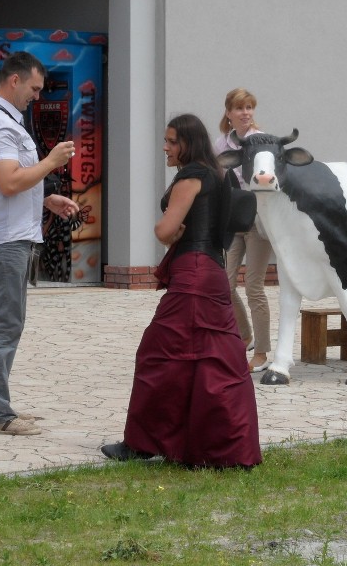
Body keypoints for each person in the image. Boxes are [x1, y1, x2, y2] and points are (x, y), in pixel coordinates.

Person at [101, 113, 262, 468]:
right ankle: (221, 449)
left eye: (172, 141)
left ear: (188, 143)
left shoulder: (191, 177)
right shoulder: (217, 174)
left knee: (156, 356)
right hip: (213, 274)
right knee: (216, 362)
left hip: (192, 277)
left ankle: (142, 443)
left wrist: (169, 231)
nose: (166, 147)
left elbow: (164, 230)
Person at [0, 51, 79, 436]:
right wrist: (51, 162)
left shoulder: (6, 121)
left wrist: (47, 199)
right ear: (14, 80)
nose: (37, 95)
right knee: (2, 325)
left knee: (7, 323)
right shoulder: (0, 125)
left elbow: (15, 180)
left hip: (10, 236)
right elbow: (8, 181)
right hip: (3, 240)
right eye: (34, 88)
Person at [213, 88, 273, 373]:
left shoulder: (261, 141)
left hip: (258, 221)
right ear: (229, 112)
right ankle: (245, 335)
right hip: (232, 221)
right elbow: (216, 181)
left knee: (254, 286)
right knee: (224, 284)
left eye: (250, 107)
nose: (246, 113)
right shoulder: (220, 144)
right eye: (240, 108)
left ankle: (261, 351)